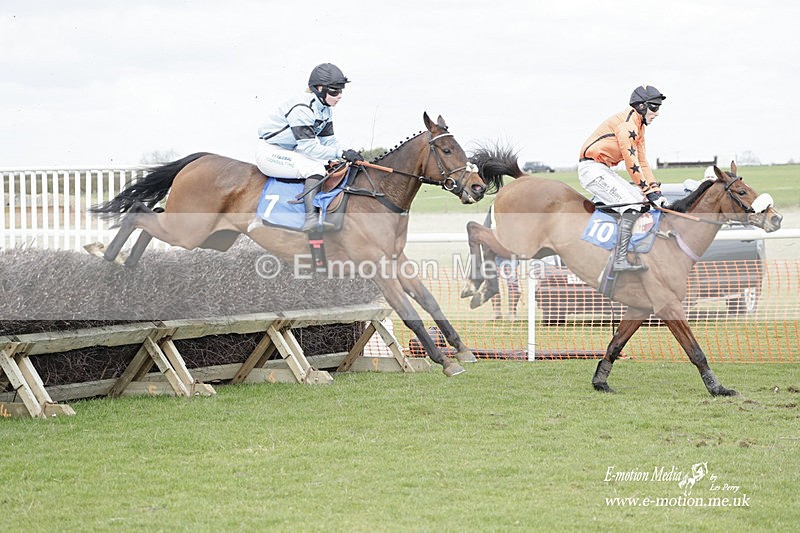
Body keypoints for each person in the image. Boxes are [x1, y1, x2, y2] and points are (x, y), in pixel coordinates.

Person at [255, 63, 363, 232]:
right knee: (315, 168)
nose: (339, 95)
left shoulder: (325, 109)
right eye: (335, 91)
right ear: (319, 88)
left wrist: (347, 155)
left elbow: (329, 142)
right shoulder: (302, 108)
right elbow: (309, 148)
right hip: (271, 152)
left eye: (341, 91)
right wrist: (341, 153)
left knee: (334, 165)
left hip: (291, 150)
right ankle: (310, 218)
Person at [577, 85, 668, 272]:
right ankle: (619, 260)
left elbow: (643, 162)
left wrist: (654, 191)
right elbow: (631, 162)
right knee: (632, 206)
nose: (657, 113)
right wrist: (649, 192)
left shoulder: (639, 127)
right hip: (592, 169)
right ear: (641, 107)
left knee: (640, 203)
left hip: (603, 168)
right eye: (654, 107)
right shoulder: (627, 126)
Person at [484, 205, 521, 320]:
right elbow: (486, 227)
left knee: (512, 283)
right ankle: (497, 312)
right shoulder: (493, 206)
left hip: (511, 251)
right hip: (495, 251)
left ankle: (512, 313)